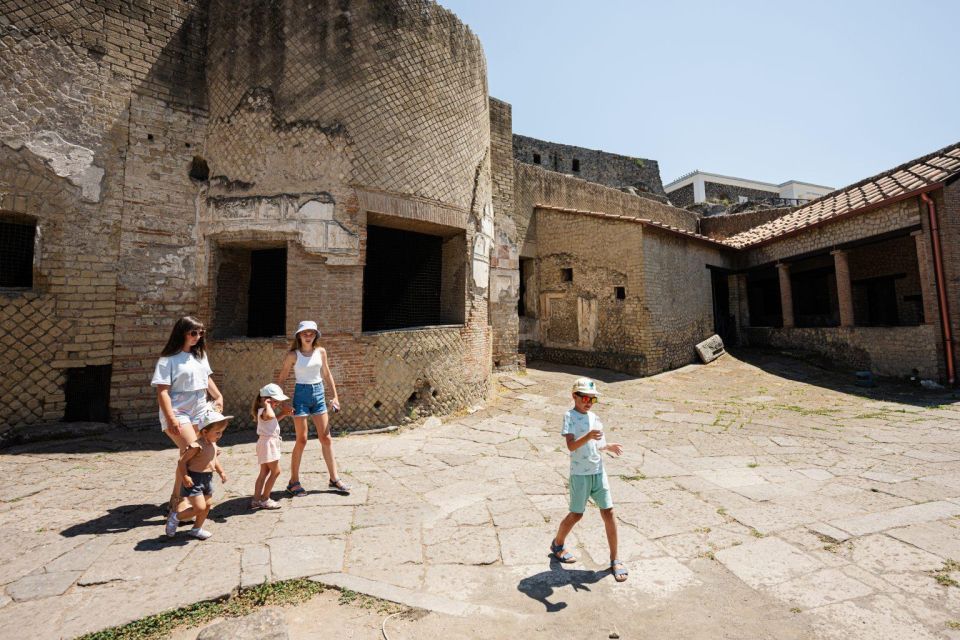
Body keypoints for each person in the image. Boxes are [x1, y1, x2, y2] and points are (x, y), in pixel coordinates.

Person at [549, 377, 628, 582]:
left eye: (592, 399)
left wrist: (607, 446)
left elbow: (598, 443)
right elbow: (571, 446)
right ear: (574, 396)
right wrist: (588, 436)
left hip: (598, 471)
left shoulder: (595, 418)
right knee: (576, 515)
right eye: (585, 397)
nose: (588, 402)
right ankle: (558, 544)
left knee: (609, 512)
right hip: (580, 474)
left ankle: (615, 559)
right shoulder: (569, 416)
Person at [152, 316, 224, 515]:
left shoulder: (200, 355)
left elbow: (206, 377)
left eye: (201, 333)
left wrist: (218, 396)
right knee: (194, 452)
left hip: (200, 410)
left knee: (189, 454)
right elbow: (163, 391)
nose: (198, 337)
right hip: (178, 411)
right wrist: (171, 418)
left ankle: (177, 500)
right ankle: (182, 501)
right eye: (193, 333)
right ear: (181, 333)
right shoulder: (168, 359)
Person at [276, 320, 350, 496]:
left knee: (326, 438)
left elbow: (326, 373)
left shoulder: (321, 352)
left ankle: (334, 478)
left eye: (311, 333)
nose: (308, 335)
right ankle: (293, 481)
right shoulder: (293, 355)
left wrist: (335, 396)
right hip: (301, 394)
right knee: (301, 440)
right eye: (304, 333)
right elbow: (282, 377)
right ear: (299, 335)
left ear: (316, 335)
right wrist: (281, 402)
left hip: (318, 393)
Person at [165, 411, 231, 540]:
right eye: (217, 432)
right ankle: (175, 517)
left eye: (222, 432)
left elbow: (213, 460)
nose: (220, 435)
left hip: (207, 478)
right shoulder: (196, 446)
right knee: (199, 507)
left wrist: (221, 472)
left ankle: (196, 529)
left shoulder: (212, 444)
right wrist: (185, 476)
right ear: (205, 432)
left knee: (207, 506)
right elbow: (182, 461)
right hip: (194, 479)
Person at [251, 383, 293, 509]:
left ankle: (256, 499)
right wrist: (267, 405)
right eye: (275, 401)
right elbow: (270, 416)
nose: (278, 404)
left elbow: (273, 420)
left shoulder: (265, 412)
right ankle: (265, 498)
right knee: (276, 472)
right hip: (268, 445)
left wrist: (284, 413)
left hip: (266, 443)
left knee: (264, 472)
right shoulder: (265, 411)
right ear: (265, 400)